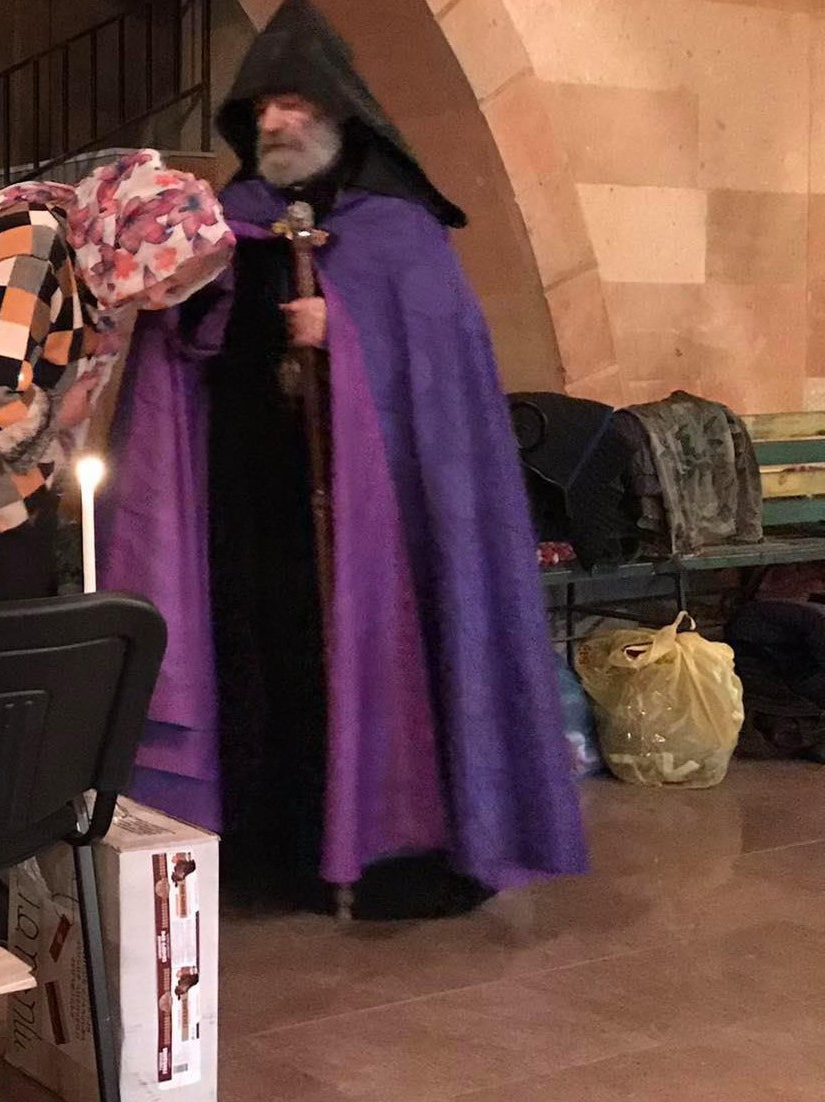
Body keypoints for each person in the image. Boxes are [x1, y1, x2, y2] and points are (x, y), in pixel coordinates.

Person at [100, 0, 586, 918]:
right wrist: (204, 306)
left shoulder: (401, 234)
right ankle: (274, 849)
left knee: (385, 666)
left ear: (338, 112)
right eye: (262, 108)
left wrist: (346, 328)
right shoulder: (231, 223)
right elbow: (186, 355)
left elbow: (438, 376)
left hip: (386, 529)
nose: (275, 123)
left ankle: (396, 851)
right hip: (254, 505)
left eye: (293, 104)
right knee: (264, 667)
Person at [0, 150, 231, 603]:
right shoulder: (29, 248)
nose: (156, 298)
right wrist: (60, 414)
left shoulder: (79, 247)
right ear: (133, 232)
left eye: (176, 288)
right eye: (160, 274)